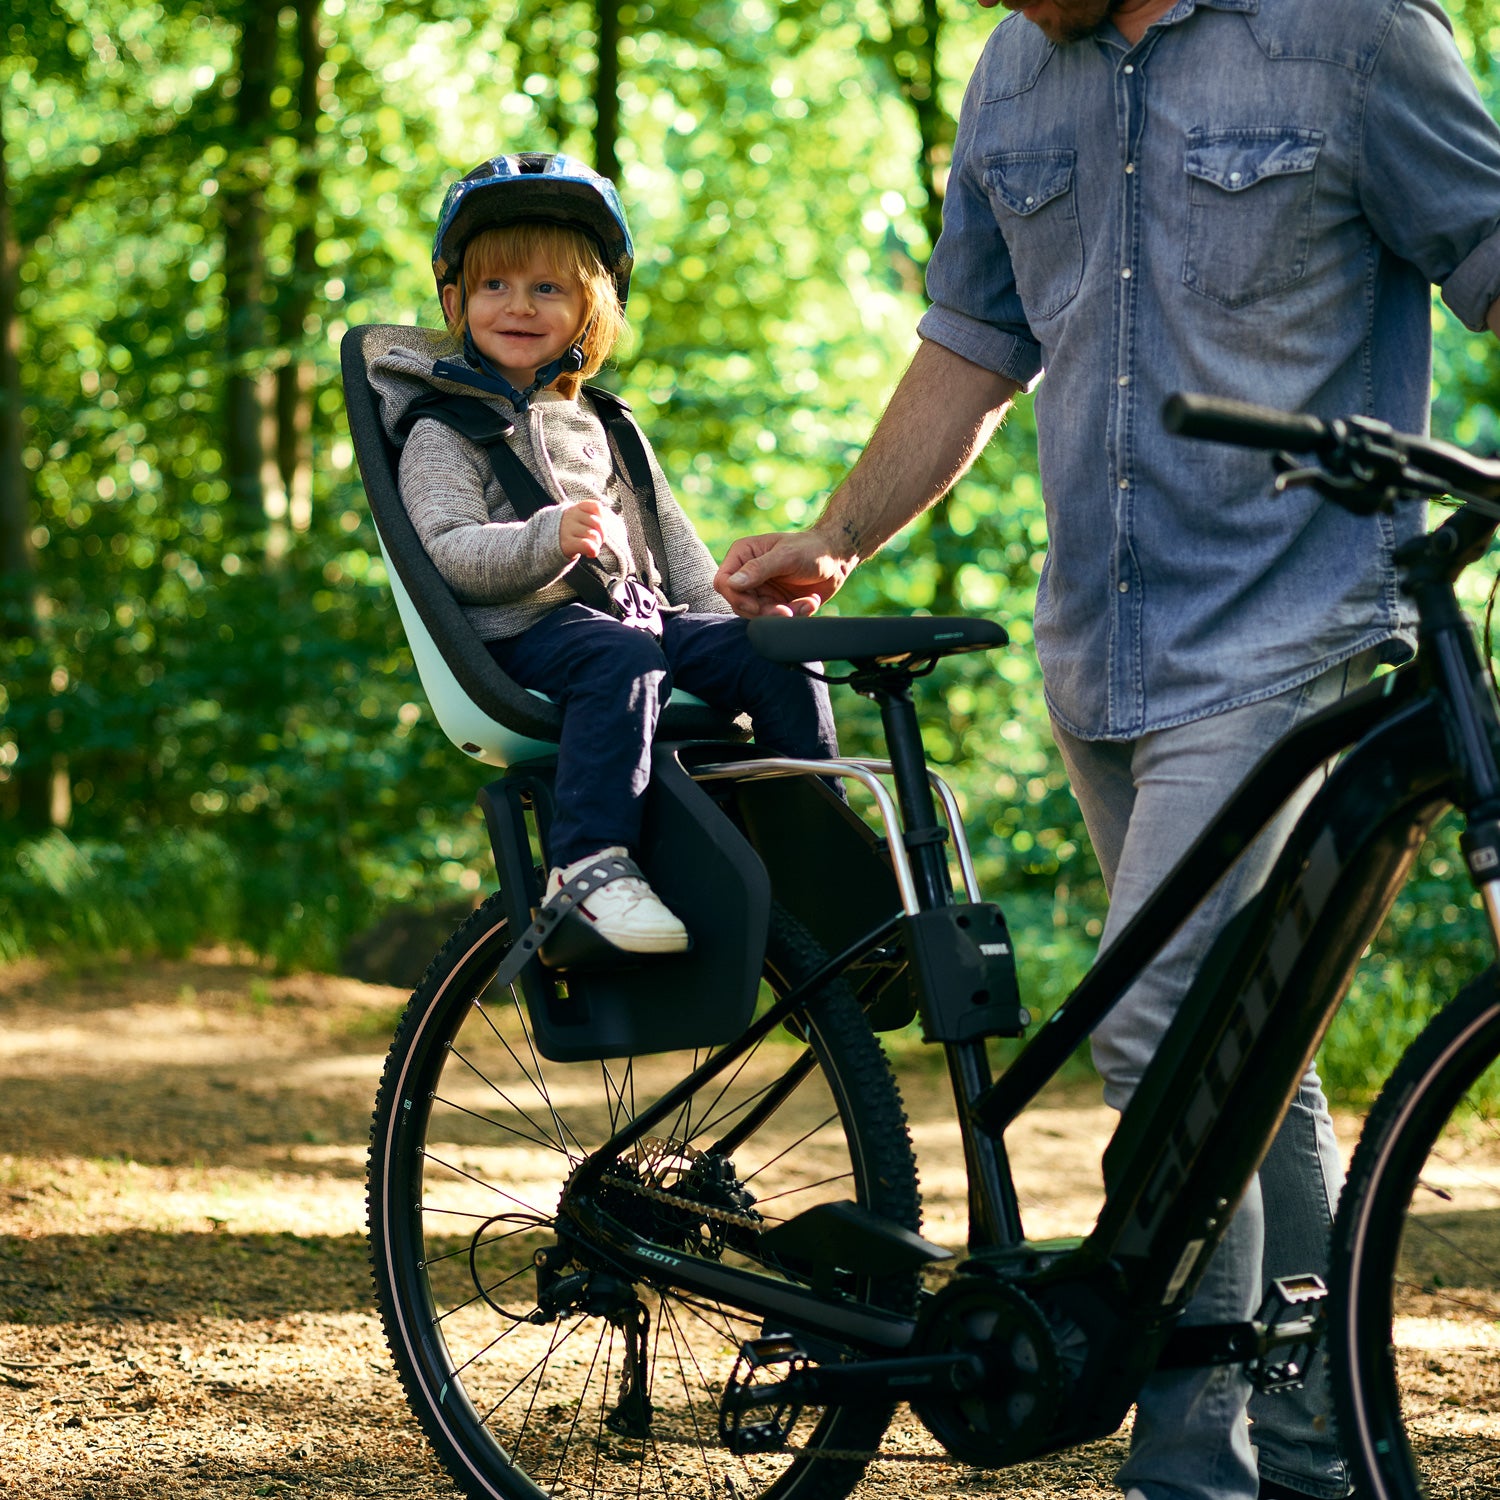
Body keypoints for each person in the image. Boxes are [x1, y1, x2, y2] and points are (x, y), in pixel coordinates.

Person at [715, 2, 1500, 1497]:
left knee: (1164, 1038)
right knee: (1251, 1053)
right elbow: (974, 342)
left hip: (1290, 632)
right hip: (1101, 648)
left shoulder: (1355, 36)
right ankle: (1316, 1454)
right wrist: (838, 534)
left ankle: (1192, 1470)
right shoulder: (1017, 66)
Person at [368, 152, 838, 956]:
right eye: (494, 284)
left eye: (548, 287)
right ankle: (586, 869)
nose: (520, 305)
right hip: (530, 634)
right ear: (455, 301)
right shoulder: (443, 432)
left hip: (640, 620)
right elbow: (446, 552)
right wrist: (546, 538)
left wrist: (739, 611)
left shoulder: (610, 425)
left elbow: (676, 549)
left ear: (591, 308)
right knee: (620, 659)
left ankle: (812, 850)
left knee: (779, 657)